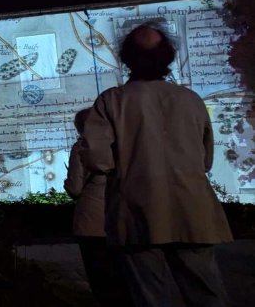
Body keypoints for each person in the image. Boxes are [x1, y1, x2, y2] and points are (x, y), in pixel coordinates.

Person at [81, 23, 233, 306]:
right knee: (207, 294)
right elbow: (206, 159)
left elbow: (97, 159)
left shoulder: (111, 102)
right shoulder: (191, 100)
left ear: (126, 58)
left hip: (137, 212)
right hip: (192, 210)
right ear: (168, 58)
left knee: (151, 298)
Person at [64, 108, 132, 307]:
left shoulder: (82, 148)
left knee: (101, 280)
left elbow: (75, 188)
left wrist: (68, 184)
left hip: (92, 222)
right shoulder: (124, 145)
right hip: (123, 217)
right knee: (124, 277)